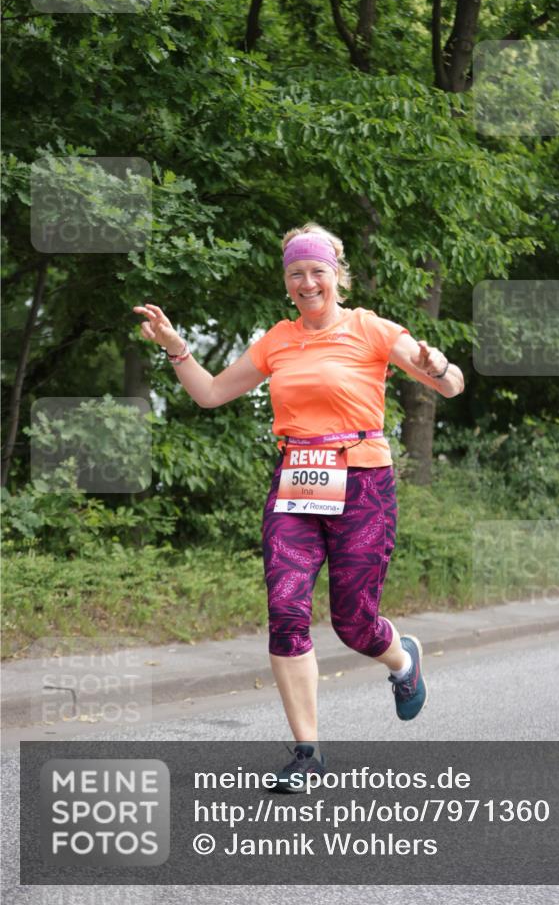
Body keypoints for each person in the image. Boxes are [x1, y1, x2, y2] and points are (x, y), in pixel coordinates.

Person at [132, 222, 464, 791]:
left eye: (317, 272)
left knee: (354, 624)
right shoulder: (277, 340)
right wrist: (174, 347)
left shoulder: (372, 329)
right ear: (287, 282)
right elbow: (210, 393)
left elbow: (451, 384)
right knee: (286, 610)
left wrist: (435, 366)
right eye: (296, 274)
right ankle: (307, 754)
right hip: (296, 487)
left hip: (363, 485)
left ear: (336, 276)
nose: (307, 282)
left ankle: (402, 659)